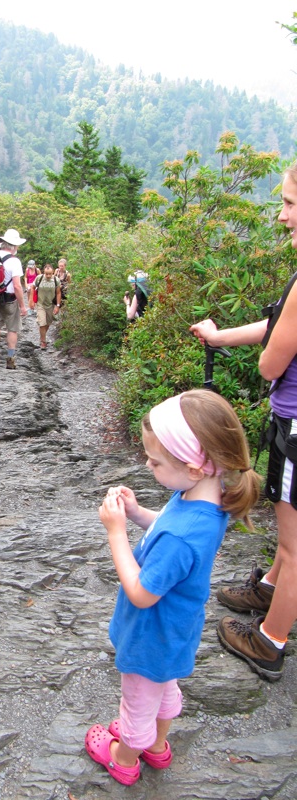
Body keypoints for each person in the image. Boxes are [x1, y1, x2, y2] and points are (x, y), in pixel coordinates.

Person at [85, 390, 260, 786]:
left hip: (151, 633)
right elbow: (166, 526)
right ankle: (158, 746)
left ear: (196, 467)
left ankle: (125, 757)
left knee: (138, 701)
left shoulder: (182, 536)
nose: (147, 465)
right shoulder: (206, 502)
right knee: (164, 689)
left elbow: (142, 593)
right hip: (176, 632)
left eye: (156, 461)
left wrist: (115, 533)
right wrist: (135, 514)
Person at [188, 160, 297, 682]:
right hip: (290, 426)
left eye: (291, 204)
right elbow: (277, 326)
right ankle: (269, 590)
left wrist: (257, 353)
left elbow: (271, 362)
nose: (282, 216)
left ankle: (269, 641)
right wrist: (219, 335)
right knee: (288, 529)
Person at [0, 228, 27, 370]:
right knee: (12, 329)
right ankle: (10, 359)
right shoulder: (14, 261)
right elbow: (17, 286)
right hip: (10, 300)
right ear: (14, 246)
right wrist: (22, 306)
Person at [29, 264, 61, 349]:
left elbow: (58, 293)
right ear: (44, 272)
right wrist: (31, 301)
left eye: (50, 273)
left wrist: (57, 306)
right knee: (42, 323)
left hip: (50, 305)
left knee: (48, 323)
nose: (48, 276)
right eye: (46, 274)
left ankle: (42, 336)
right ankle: (43, 341)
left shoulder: (55, 280)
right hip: (40, 304)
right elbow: (32, 288)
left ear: (53, 272)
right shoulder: (39, 278)